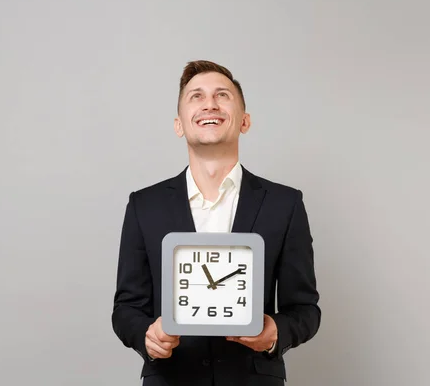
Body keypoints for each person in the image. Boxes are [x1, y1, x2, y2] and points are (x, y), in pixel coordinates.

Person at [112, 60, 321, 386]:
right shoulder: (144, 205)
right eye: (196, 96)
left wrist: (275, 333)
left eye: (222, 95)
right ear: (179, 124)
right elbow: (126, 308)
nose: (209, 103)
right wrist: (146, 336)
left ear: (244, 121)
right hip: (171, 378)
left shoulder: (285, 204)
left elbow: (305, 309)